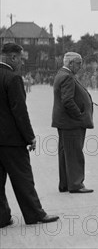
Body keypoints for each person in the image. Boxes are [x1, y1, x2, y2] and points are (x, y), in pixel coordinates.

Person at [0, 43, 59, 227]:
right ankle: (34, 214)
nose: (21, 64)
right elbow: (19, 112)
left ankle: (2, 218)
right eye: (21, 59)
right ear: (13, 57)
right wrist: (30, 137)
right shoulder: (12, 78)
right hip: (12, 141)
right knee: (23, 179)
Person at [52, 52, 94, 194]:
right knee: (74, 154)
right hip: (71, 123)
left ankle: (65, 183)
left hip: (65, 122)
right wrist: (80, 115)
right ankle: (76, 184)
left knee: (66, 154)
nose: (80, 66)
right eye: (78, 63)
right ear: (70, 63)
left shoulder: (63, 74)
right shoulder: (67, 77)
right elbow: (68, 100)